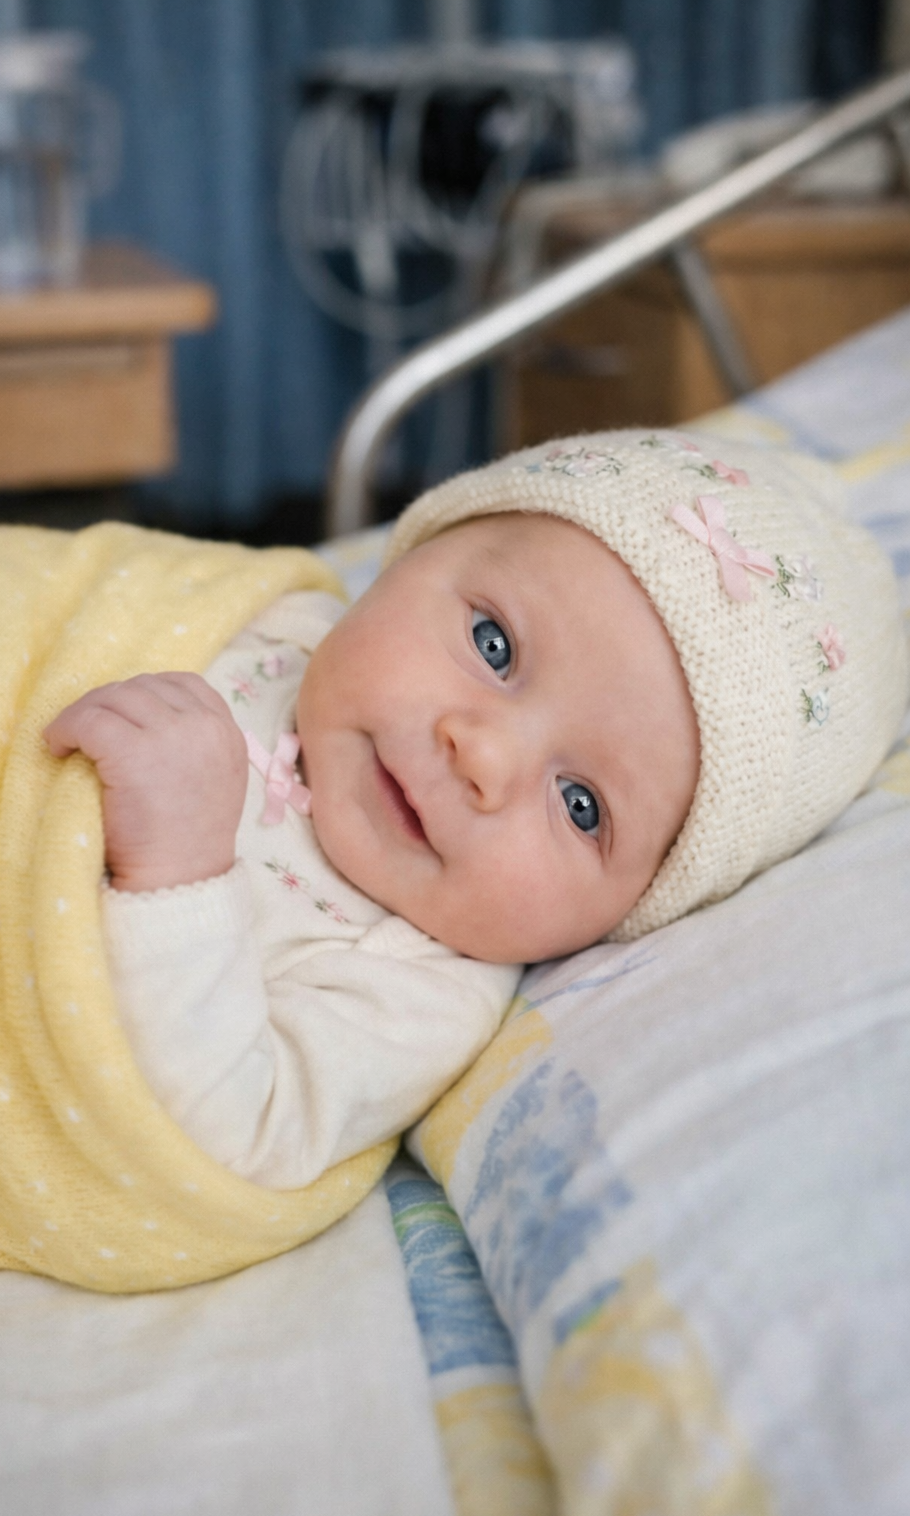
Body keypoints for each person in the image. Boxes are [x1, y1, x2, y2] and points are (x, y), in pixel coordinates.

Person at [44, 428, 908, 1192]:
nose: (484, 757)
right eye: (493, 645)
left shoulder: (418, 991)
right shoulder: (273, 621)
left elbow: (237, 1136)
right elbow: (35, 610)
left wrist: (180, 876)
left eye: (581, 806)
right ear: (412, 560)